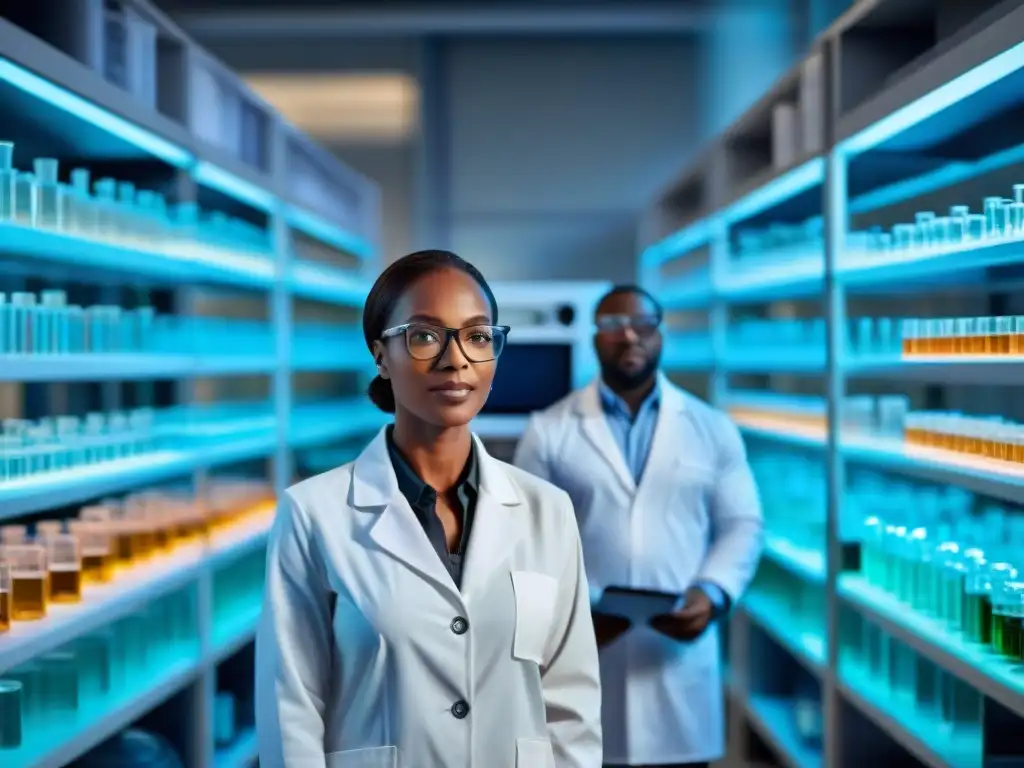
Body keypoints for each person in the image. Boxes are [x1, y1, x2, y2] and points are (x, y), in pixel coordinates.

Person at [255, 249, 602, 768]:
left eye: (478, 336)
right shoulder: (314, 514)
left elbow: (571, 704)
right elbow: (291, 711)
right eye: (424, 336)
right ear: (380, 354)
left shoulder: (547, 510)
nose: (455, 358)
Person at [513, 284, 763, 768]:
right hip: (584, 653)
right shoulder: (549, 429)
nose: (629, 336)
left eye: (643, 324)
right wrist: (574, 615)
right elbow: (525, 538)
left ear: (660, 334)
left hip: (677, 664)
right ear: (594, 338)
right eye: (611, 325)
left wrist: (712, 593)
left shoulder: (712, 428)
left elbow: (742, 524)